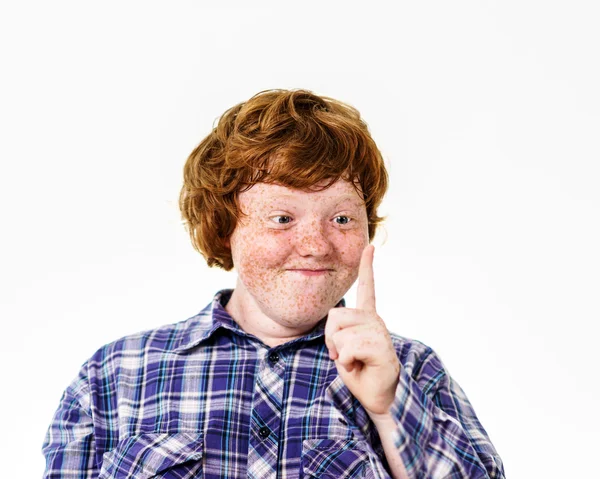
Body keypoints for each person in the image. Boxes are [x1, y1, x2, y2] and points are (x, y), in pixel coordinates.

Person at [42, 89, 505, 478]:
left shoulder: (412, 369)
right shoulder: (114, 375)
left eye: (341, 218)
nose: (316, 245)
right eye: (282, 218)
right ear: (225, 226)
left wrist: (390, 407)